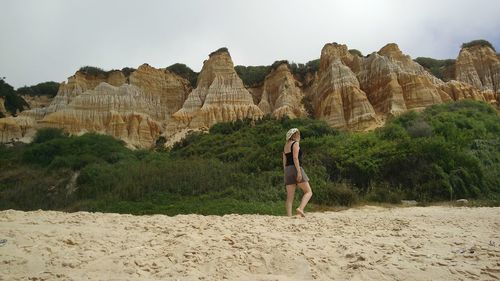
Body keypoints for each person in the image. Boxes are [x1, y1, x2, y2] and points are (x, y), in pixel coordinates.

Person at [283, 128, 313, 217]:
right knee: (308, 192)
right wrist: (299, 172)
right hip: (295, 168)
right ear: (295, 135)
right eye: (298, 134)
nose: (299, 136)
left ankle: (289, 216)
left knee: (289, 197)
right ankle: (300, 208)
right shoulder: (295, 144)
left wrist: (286, 172)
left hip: (287, 169)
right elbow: (295, 158)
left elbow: (284, 160)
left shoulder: (285, 146)